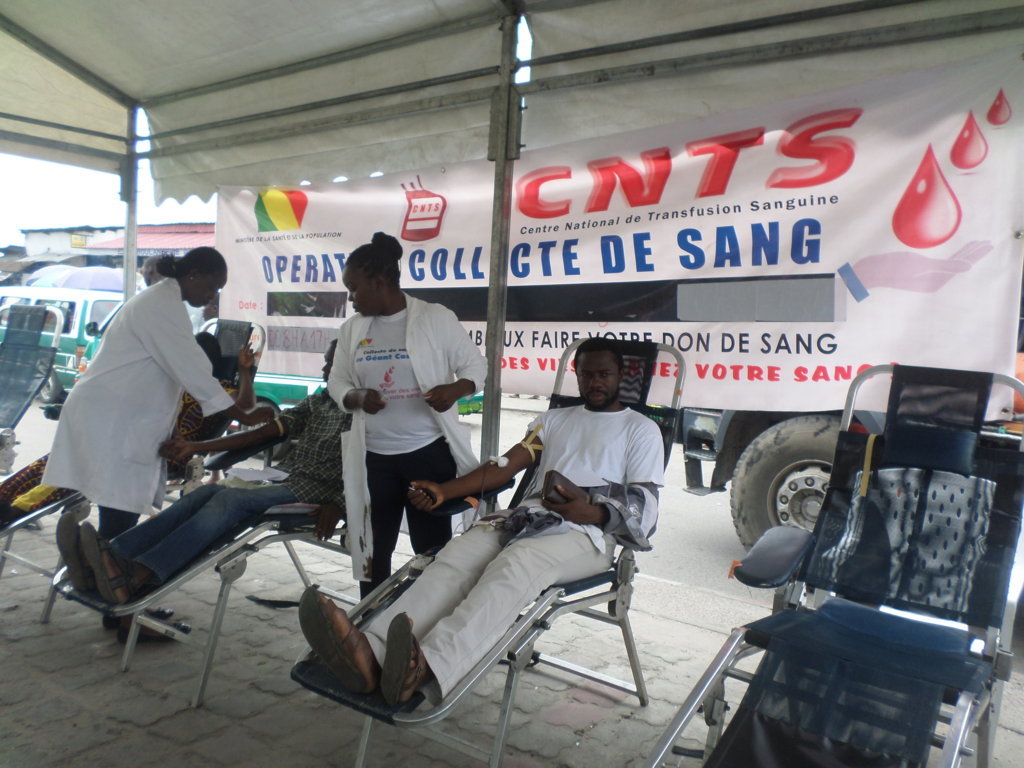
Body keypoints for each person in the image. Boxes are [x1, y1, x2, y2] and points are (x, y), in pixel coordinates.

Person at [300, 337, 664, 706]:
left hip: (588, 534)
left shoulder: (641, 429)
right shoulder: (554, 421)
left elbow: (646, 506)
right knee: (455, 557)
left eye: (604, 374)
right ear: (577, 374)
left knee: (516, 564)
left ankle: (427, 667)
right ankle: (371, 652)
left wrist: (594, 511)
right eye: (586, 374)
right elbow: (505, 466)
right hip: (528, 518)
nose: (595, 382)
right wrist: (445, 490)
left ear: (622, 375)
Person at [57, 340, 351, 604]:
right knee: (208, 491)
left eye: (330, 363)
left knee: (228, 501)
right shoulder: (319, 401)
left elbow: (370, 466)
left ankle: (138, 574)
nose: (324, 369)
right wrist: (197, 446)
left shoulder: (361, 413)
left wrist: (340, 503)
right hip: (286, 480)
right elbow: (261, 434)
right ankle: (110, 556)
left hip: (317, 491)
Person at [43, 247, 272, 540]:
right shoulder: (162, 306)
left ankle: (96, 555)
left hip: (115, 415)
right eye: (211, 287)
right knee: (121, 502)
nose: (212, 296)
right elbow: (194, 371)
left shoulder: (164, 301)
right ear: (193, 274)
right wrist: (245, 416)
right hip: (112, 416)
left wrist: (175, 430)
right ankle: (103, 557)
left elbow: (173, 378)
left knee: (120, 500)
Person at [328, 232, 486, 597]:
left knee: (431, 553)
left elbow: (476, 365)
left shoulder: (434, 318)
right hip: (373, 459)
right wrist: (354, 396)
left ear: (378, 282)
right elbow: (337, 380)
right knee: (372, 552)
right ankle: (370, 620)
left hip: (427, 457)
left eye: (353, 288)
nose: (350, 298)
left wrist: (456, 389)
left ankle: (423, 619)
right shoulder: (352, 329)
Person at [0, 332, 254, 527]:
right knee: (64, 456)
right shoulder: (174, 380)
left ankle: (19, 509)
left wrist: (244, 371)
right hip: (140, 441)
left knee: (81, 468)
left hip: (169, 452)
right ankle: (4, 496)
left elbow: (245, 406)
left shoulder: (215, 388)